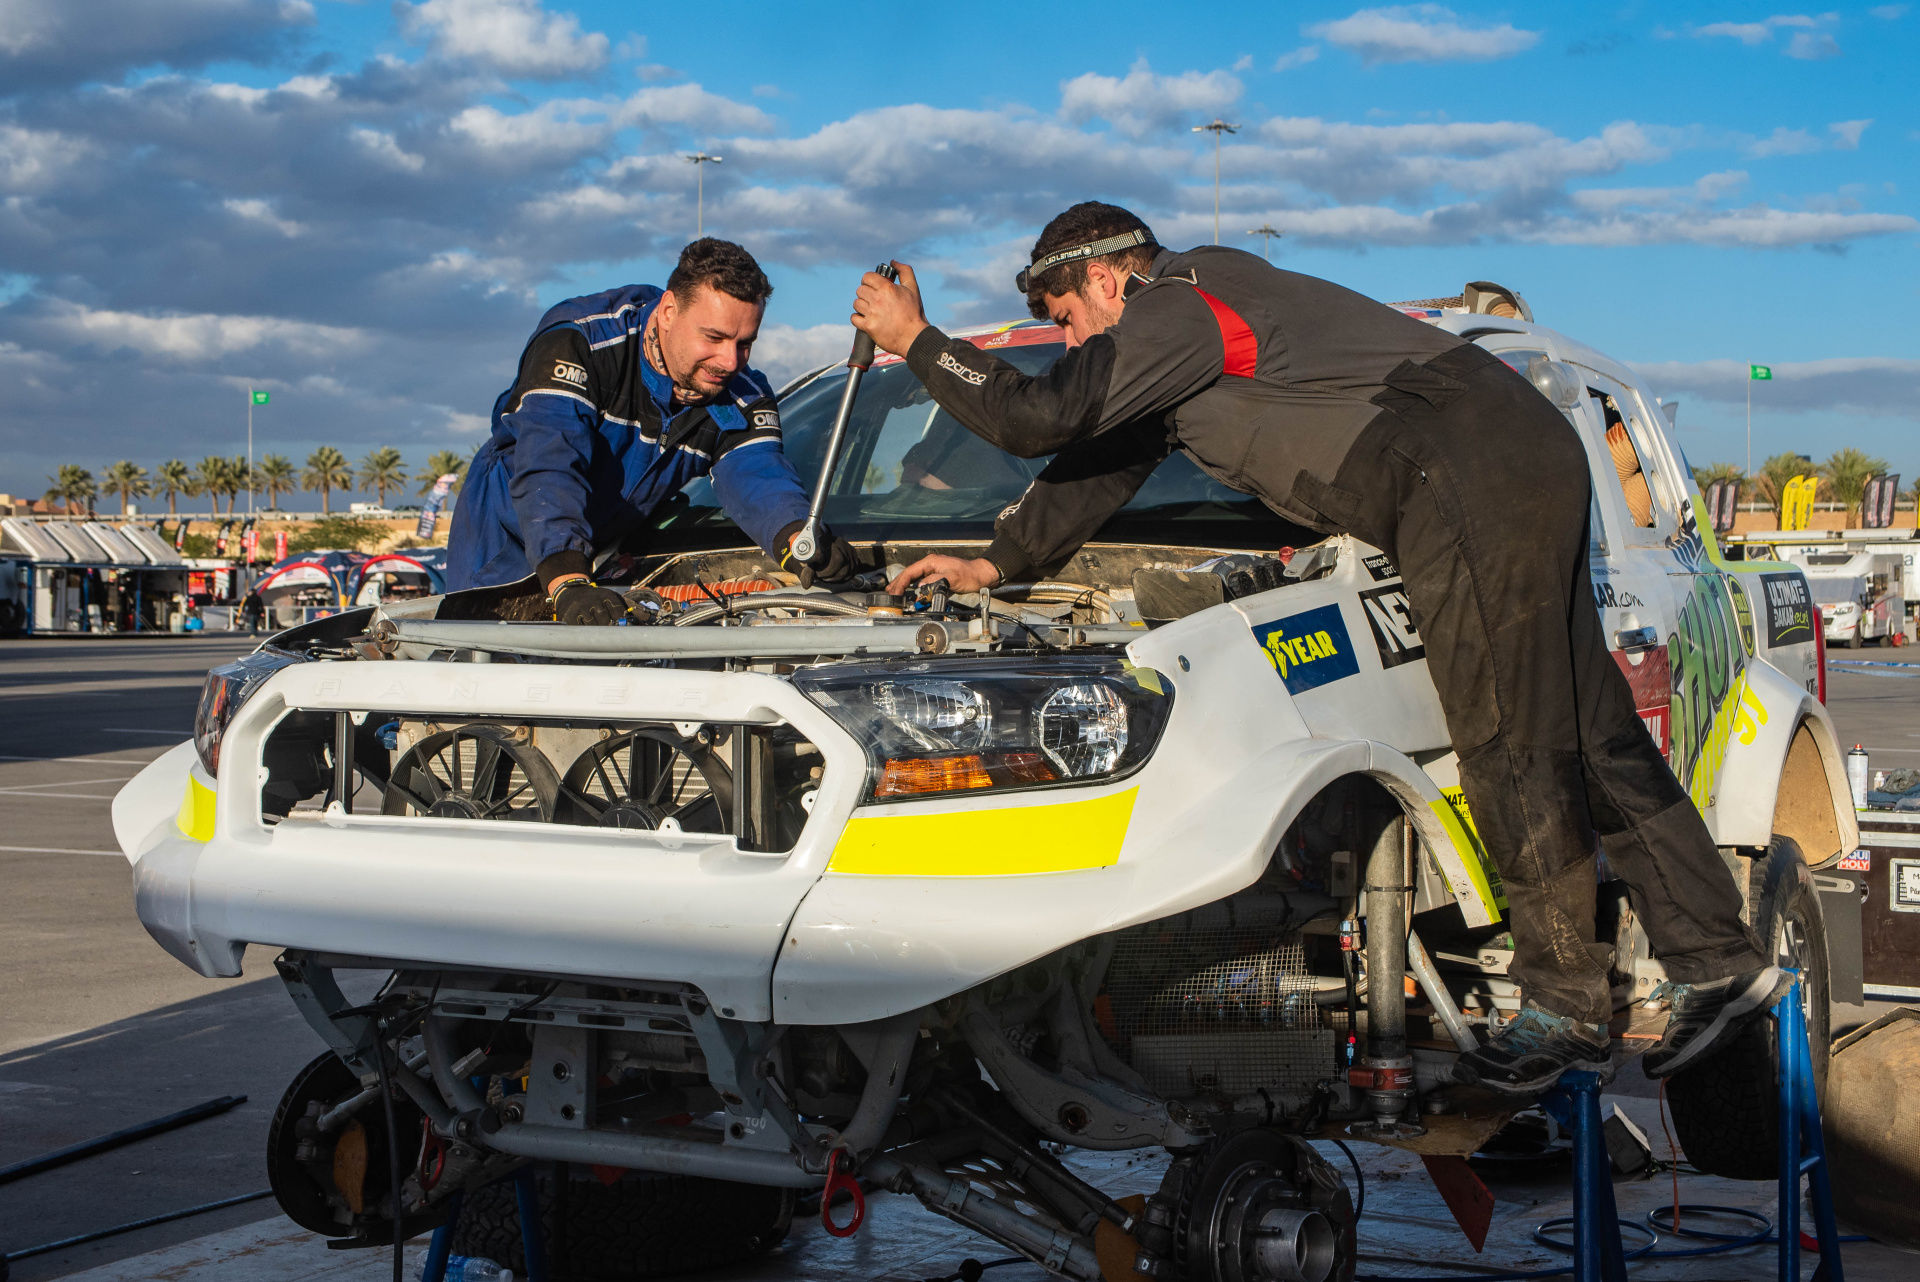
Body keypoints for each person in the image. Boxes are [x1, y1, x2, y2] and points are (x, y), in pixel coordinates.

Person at [850, 202, 1786, 1095]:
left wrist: (918, 341)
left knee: (1507, 734)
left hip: (1454, 469)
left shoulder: (1177, 302)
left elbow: (1040, 417)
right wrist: (998, 563)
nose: (1070, 344)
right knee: (1586, 731)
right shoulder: (1181, 342)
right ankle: (1718, 961)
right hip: (1506, 452)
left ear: (1105, 278)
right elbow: (1097, 460)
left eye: (1065, 320)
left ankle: (1565, 1006)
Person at [447, 238, 857, 622]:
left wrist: (795, 537)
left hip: (608, 559)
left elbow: (759, 474)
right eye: (713, 337)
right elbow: (549, 464)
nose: (730, 361)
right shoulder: (580, 342)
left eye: (745, 343)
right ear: (667, 313)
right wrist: (566, 578)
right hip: (505, 550)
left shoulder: (742, 393)